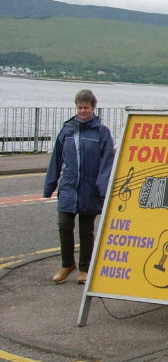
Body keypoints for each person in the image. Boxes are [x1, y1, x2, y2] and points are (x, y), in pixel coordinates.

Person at [43, 89, 115, 284]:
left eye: (86, 107)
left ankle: (84, 268)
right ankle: (67, 264)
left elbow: (107, 162)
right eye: (80, 107)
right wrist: (49, 185)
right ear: (76, 107)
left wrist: (102, 188)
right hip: (69, 186)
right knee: (64, 225)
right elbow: (56, 159)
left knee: (86, 230)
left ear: (93, 108)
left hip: (90, 189)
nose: (83, 111)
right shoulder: (67, 130)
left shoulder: (102, 132)